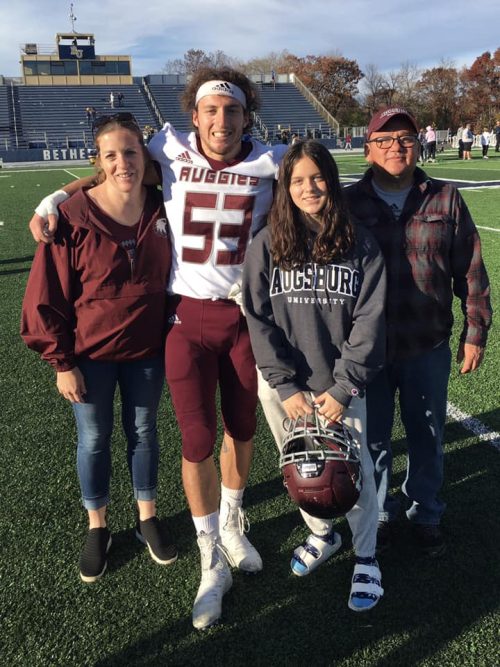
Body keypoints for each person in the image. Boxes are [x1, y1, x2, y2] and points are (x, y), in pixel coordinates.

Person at [28, 69, 288, 630]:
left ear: (248, 116)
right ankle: (209, 559)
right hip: (187, 317)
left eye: (233, 111)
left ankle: (233, 525)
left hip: (246, 319)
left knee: (241, 429)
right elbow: (112, 165)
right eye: (211, 110)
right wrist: (57, 194)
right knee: (195, 440)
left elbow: (323, 183)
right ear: (194, 116)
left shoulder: (273, 159)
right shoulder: (166, 146)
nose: (222, 121)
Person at [21, 114, 177, 583]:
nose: (122, 162)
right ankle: (99, 526)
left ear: (145, 158)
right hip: (89, 355)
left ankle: (146, 517)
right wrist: (61, 363)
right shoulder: (69, 218)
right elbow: (45, 296)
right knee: (94, 439)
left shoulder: (163, 205)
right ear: (98, 161)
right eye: (110, 155)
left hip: (147, 351)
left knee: (145, 433)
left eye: (130, 152)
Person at [243, 140, 386, 611]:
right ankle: (323, 534)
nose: (309, 188)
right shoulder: (267, 242)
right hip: (286, 389)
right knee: (302, 470)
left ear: (332, 179)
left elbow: (369, 319)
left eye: (317, 177)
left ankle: (366, 556)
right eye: (298, 180)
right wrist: (284, 385)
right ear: (285, 185)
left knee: (355, 472)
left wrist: (344, 386)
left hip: (341, 388)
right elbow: (258, 318)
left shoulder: (359, 241)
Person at [345, 107, 492, 557]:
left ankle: (425, 510)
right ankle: (383, 511)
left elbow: (470, 270)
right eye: (385, 140)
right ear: (368, 149)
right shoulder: (348, 203)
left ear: (417, 144)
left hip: (425, 341)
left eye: (405, 138)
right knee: (373, 438)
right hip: (367, 348)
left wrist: (475, 331)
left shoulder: (445, 198)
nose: (396, 147)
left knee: (427, 432)